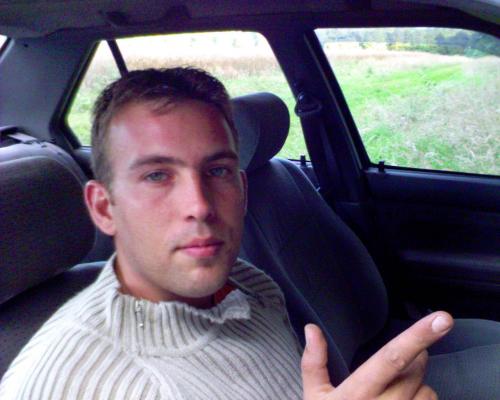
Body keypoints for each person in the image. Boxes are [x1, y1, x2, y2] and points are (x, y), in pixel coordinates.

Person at [0, 67, 453, 399]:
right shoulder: (73, 385)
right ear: (104, 208)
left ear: (242, 188)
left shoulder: (249, 284)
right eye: (157, 176)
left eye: (217, 170)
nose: (199, 205)